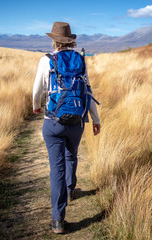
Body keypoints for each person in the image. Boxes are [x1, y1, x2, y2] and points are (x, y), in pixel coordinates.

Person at [32, 21, 101, 234]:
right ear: (71, 41)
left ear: (53, 40)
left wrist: (36, 107)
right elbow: (86, 91)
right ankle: (71, 190)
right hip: (77, 122)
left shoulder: (47, 60)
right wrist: (95, 119)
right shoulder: (80, 59)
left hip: (53, 121)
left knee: (57, 168)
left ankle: (58, 221)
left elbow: (37, 90)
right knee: (72, 155)